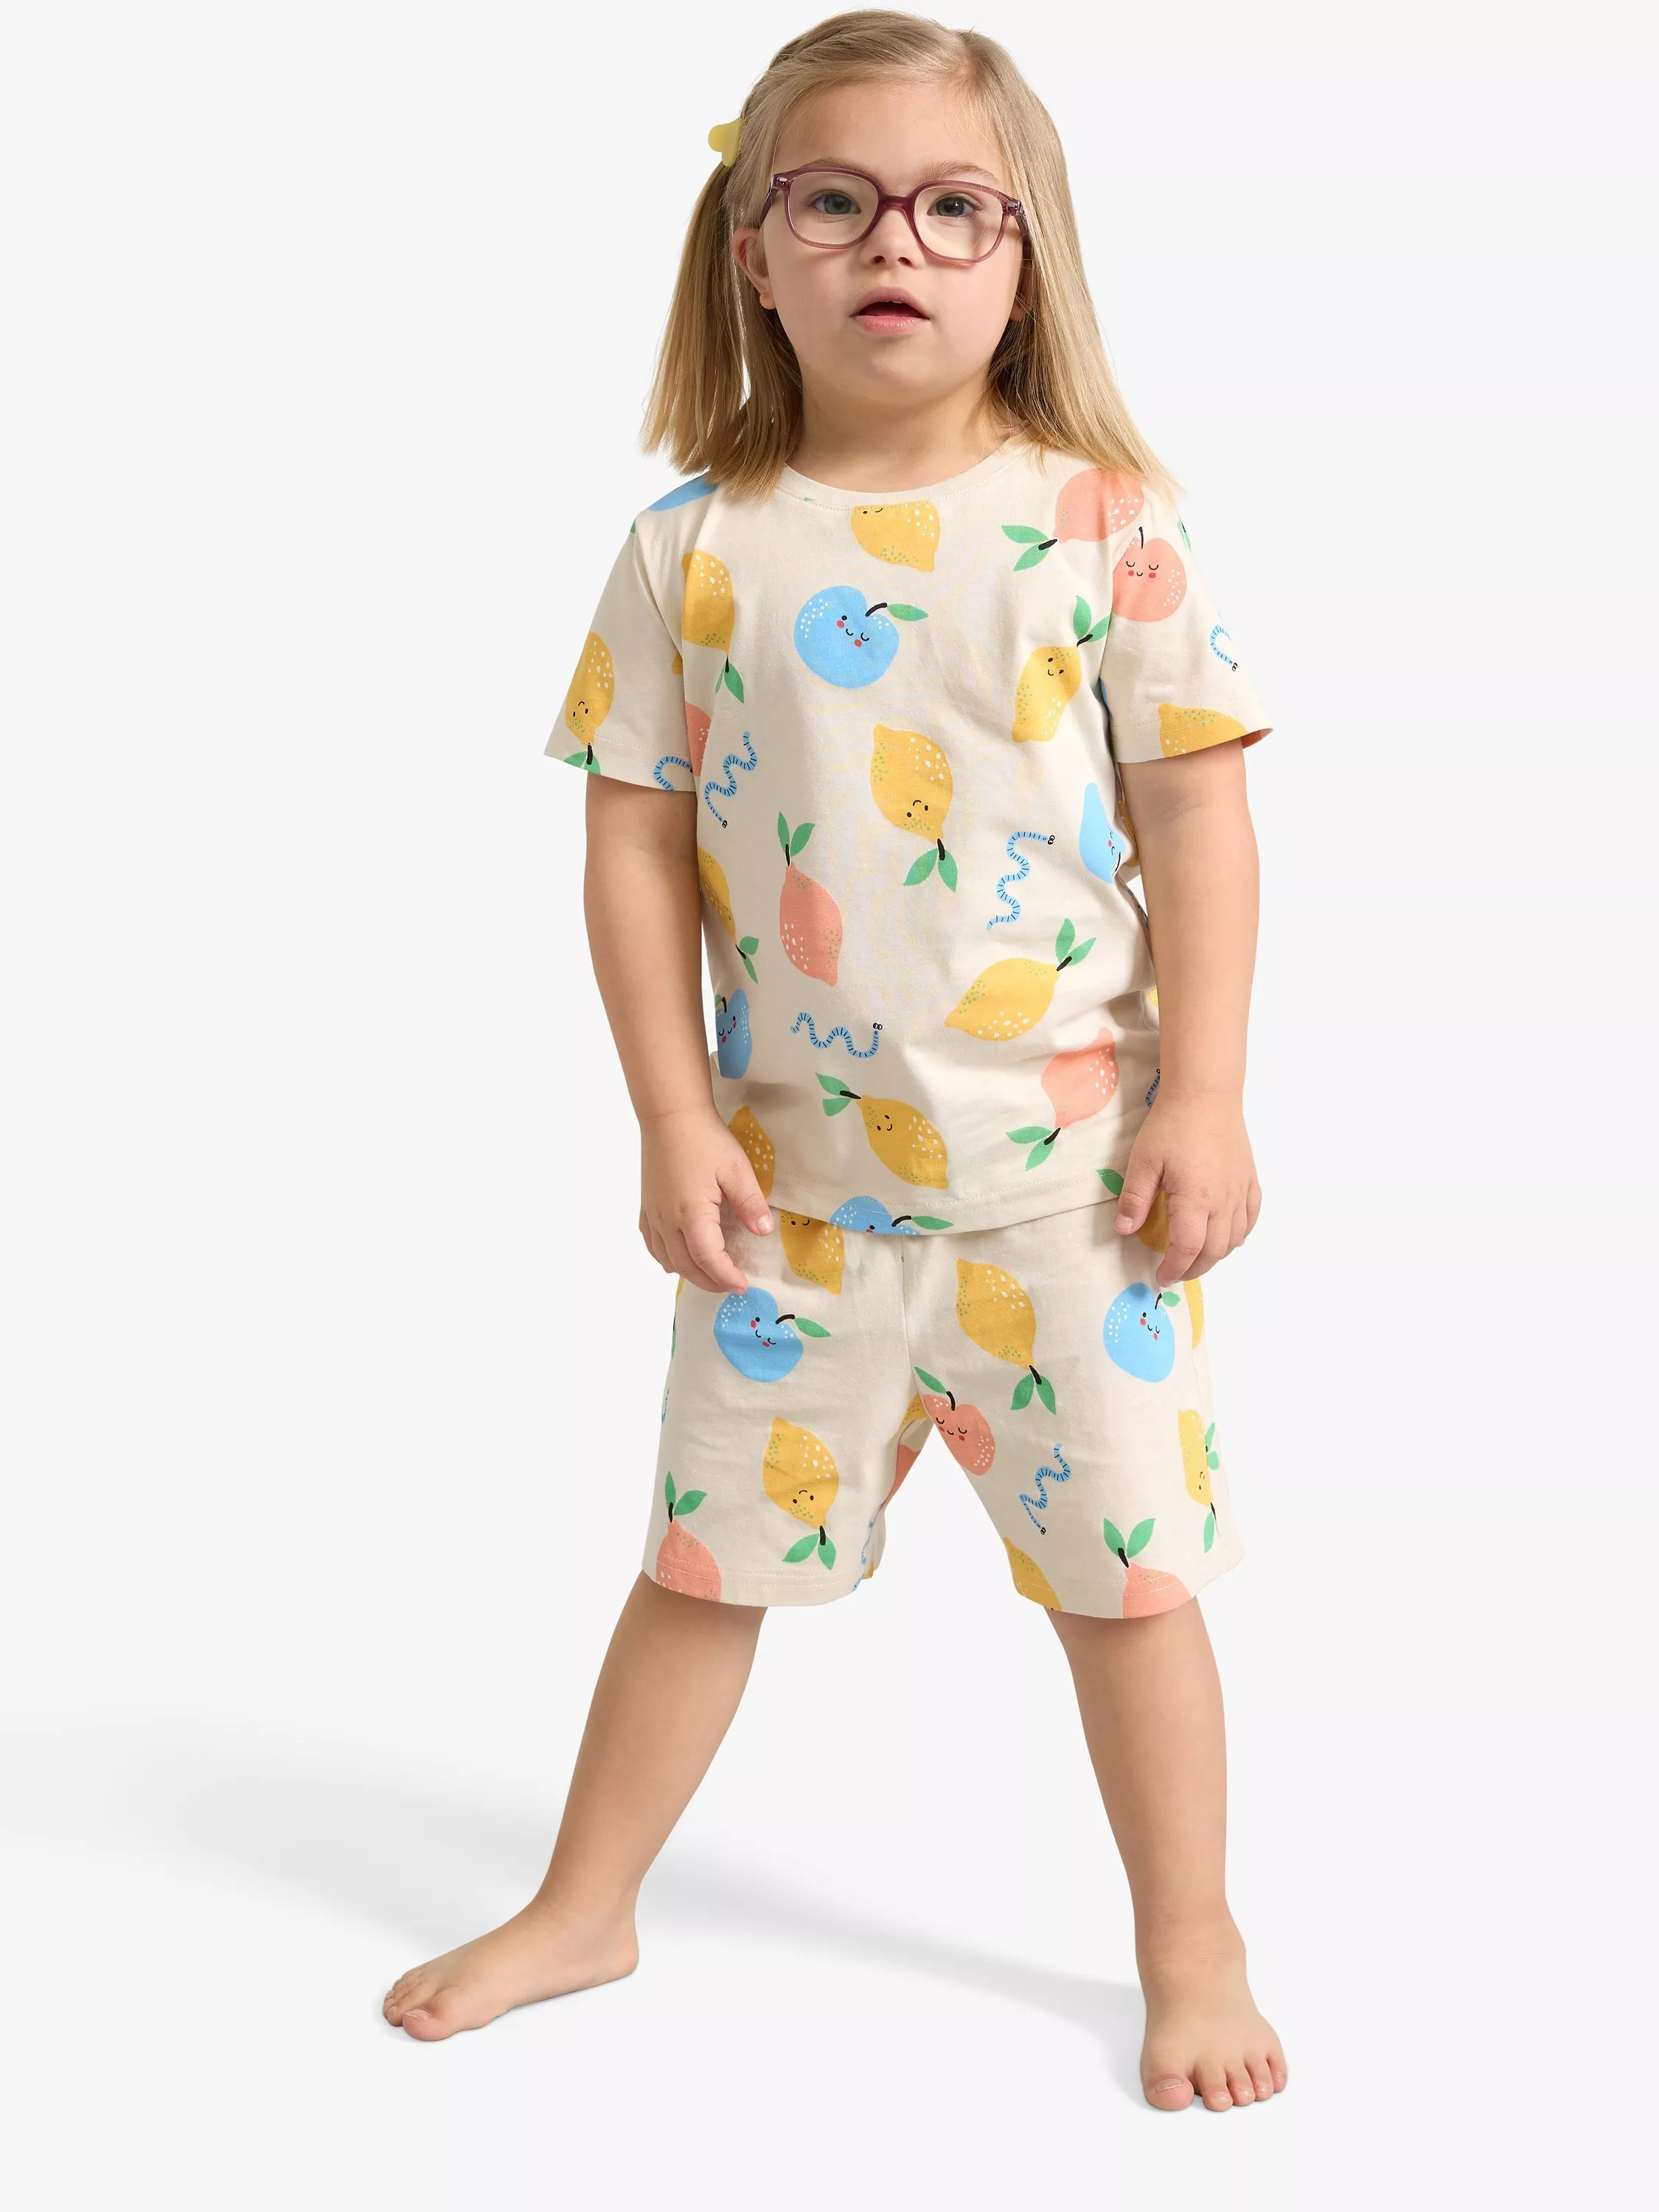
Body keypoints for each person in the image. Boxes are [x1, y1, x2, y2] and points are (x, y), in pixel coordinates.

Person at [384, 9, 1288, 2114]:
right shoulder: (694, 547)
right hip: (788, 1208)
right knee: (700, 1570)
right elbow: (631, 841)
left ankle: (1194, 1943)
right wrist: (669, 1112)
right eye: (838, 200)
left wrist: (1210, 1092)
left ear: (1029, 256)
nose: (901, 241)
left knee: (1130, 1592)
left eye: (959, 206)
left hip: (1076, 1204)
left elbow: (1200, 818)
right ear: (752, 254)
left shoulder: (1105, 522)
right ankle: (585, 1902)